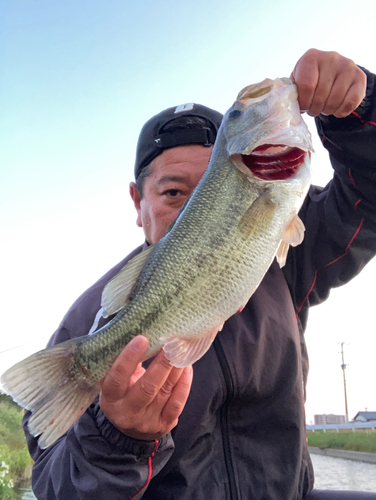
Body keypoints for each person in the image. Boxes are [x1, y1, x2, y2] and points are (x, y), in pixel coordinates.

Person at [23, 49, 376, 499]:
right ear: (138, 201)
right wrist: (118, 441)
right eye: (173, 192)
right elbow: (56, 485)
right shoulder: (88, 320)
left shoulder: (283, 259)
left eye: (209, 183)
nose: (192, 208)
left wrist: (358, 115)